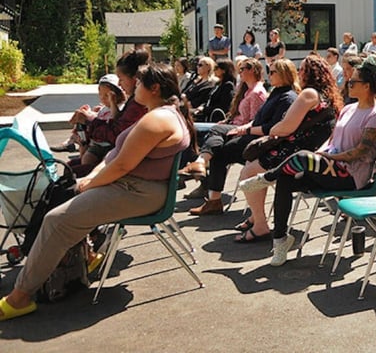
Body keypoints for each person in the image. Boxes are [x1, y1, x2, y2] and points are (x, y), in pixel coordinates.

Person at [0, 63, 194, 321]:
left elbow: (123, 164)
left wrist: (89, 184)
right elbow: (116, 156)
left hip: (137, 192)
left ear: (154, 88)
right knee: (62, 197)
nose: (133, 86)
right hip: (130, 186)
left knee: (56, 220)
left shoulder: (157, 119)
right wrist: (91, 177)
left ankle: (20, 298)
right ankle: (86, 255)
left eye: (138, 83)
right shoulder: (158, 114)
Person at [249, 55, 376, 266]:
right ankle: (280, 241)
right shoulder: (349, 109)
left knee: (305, 157)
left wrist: (325, 157)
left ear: (367, 86)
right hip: (330, 168)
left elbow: (361, 152)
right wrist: (322, 155)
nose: (348, 84)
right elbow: (331, 140)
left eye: (353, 82)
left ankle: (267, 177)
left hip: (350, 176)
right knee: (287, 178)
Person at [233, 55, 344, 243]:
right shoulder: (330, 97)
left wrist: (273, 130)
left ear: (309, 73)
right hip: (310, 153)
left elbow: (285, 127)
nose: (299, 73)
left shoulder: (309, 94)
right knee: (252, 165)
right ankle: (255, 216)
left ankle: (260, 225)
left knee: (247, 173)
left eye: (302, 69)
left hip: (294, 152)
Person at [188, 59, 299, 215]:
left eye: (273, 72)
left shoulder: (287, 98)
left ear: (284, 74)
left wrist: (245, 130)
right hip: (250, 133)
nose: (269, 75)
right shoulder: (276, 93)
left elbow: (272, 128)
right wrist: (244, 128)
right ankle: (207, 182)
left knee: (218, 149)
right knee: (216, 138)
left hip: (263, 143)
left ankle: (210, 190)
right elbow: (257, 119)